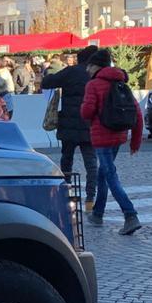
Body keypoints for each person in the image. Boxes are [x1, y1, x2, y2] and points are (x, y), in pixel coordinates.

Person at [80, 47, 144, 235]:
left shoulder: (93, 85)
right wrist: (135, 141)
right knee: (103, 174)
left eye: (89, 66)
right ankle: (97, 214)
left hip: (102, 137)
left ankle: (130, 215)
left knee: (110, 175)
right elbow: (138, 114)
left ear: (96, 66)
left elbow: (86, 112)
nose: (87, 70)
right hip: (119, 135)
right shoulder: (121, 83)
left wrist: (83, 108)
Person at [49, 46, 99, 206]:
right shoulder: (95, 74)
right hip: (88, 124)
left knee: (66, 160)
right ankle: (90, 199)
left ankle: (66, 194)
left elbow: (47, 82)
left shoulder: (70, 72)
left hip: (68, 124)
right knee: (91, 163)